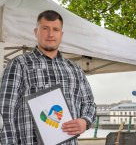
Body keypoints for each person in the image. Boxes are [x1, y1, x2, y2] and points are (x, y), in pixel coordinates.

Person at [0, 10, 96, 145]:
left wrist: (85, 121)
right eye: (45, 28)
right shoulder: (19, 64)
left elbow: (89, 103)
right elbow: (5, 109)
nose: (50, 34)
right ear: (36, 32)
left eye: (55, 29)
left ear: (61, 34)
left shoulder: (75, 69)